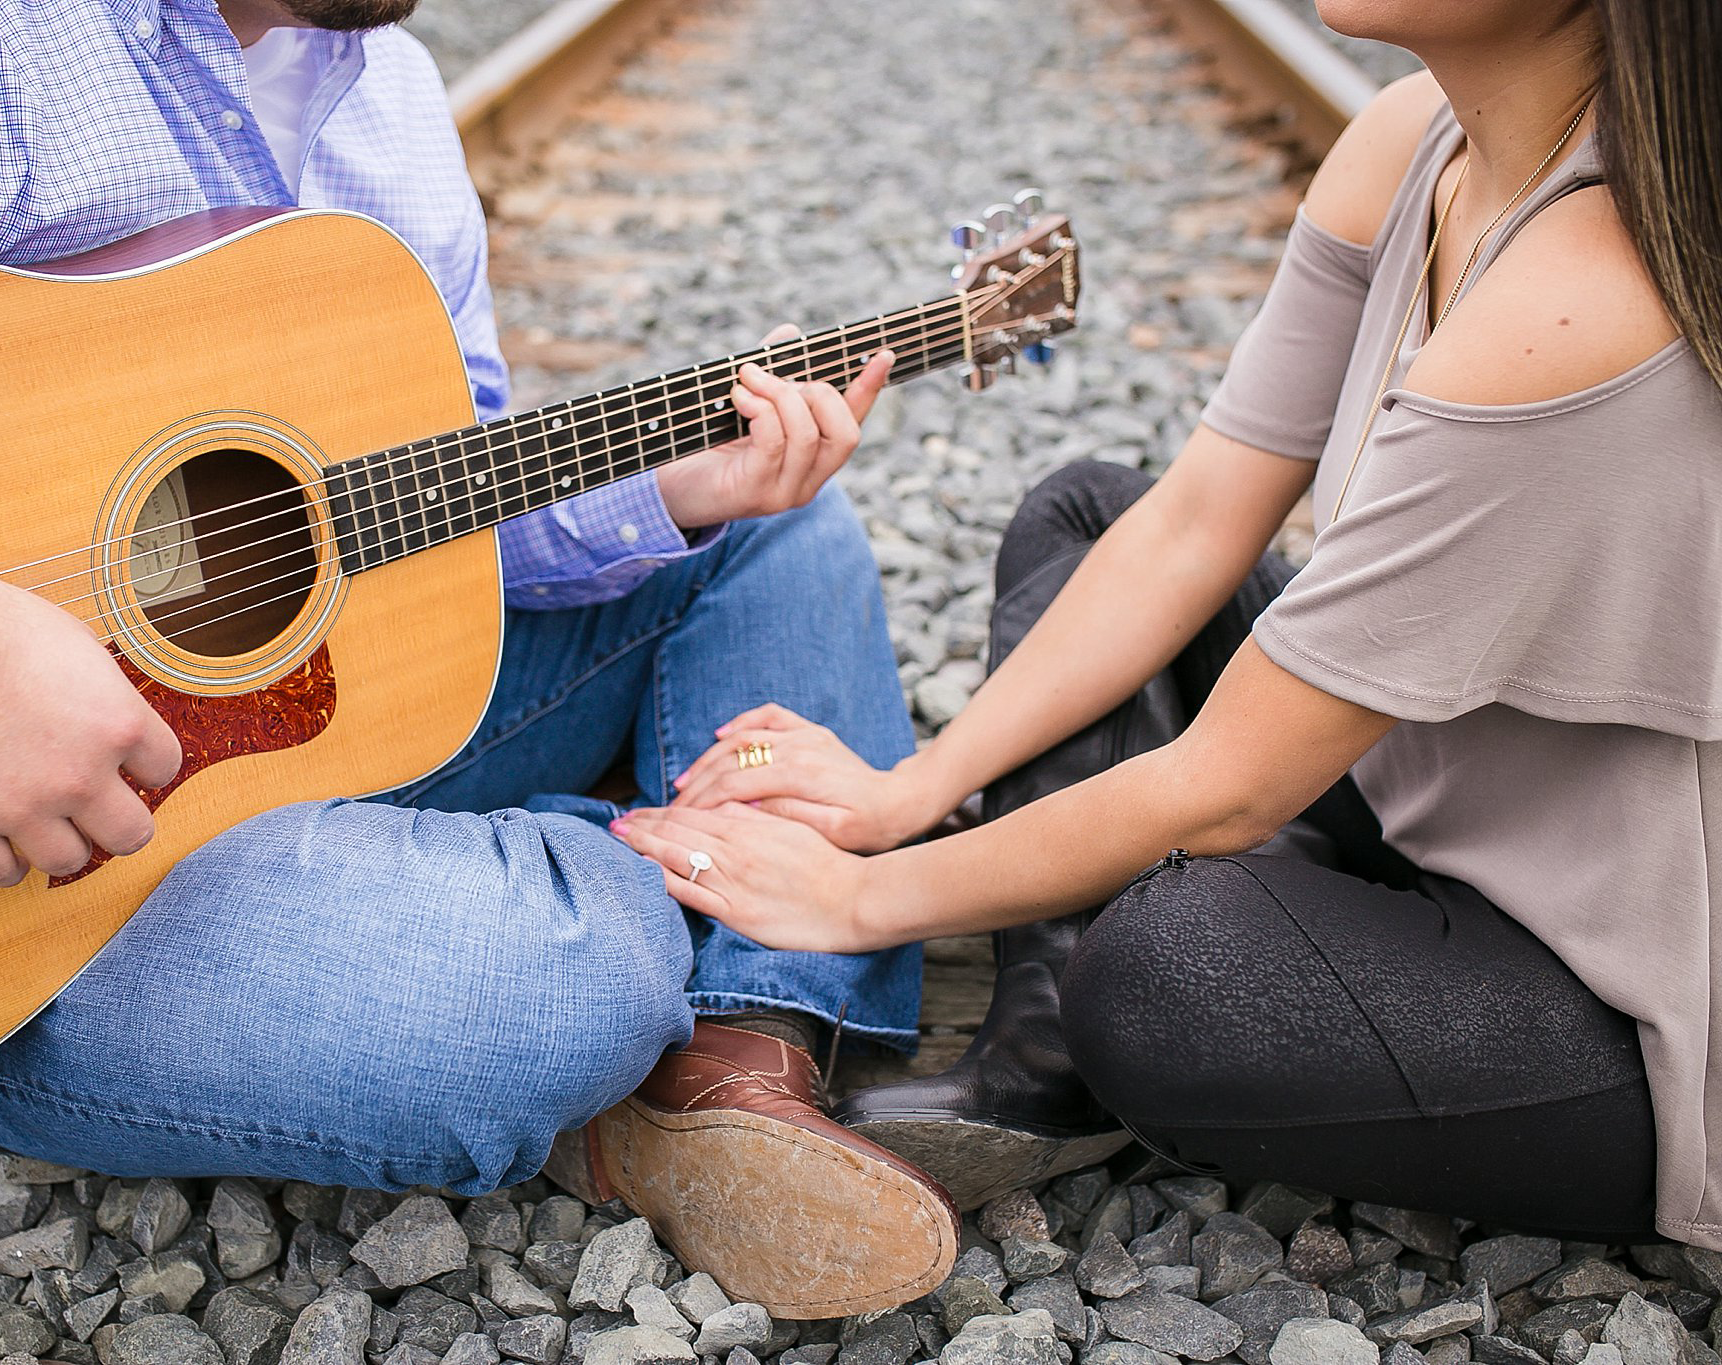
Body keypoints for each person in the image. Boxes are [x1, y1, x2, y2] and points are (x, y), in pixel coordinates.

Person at [0, 0, 961, 1312]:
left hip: (275, 728)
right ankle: (678, 911)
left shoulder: (390, 104)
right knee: (573, 974)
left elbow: (402, 499)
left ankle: (745, 1061)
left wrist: (668, 490)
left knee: (773, 537)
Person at [615, 0, 1722, 1247]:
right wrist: (911, 790)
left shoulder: (1581, 289)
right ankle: (1036, 1058)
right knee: (1086, 515)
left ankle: (1089, 1009)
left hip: (1617, 986)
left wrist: (855, 900)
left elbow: (1225, 789)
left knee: (1164, 979)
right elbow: (1193, 521)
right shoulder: (1413, 142)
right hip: (1433, 795)